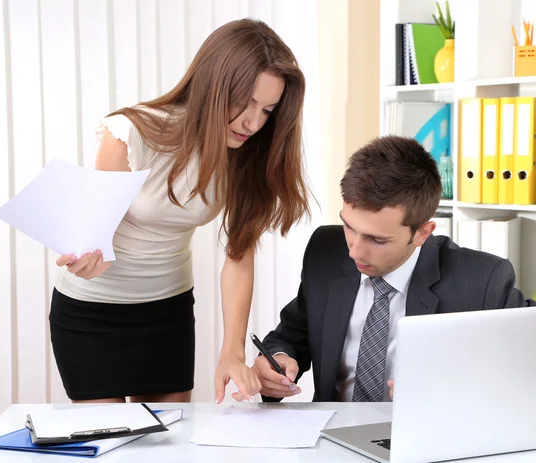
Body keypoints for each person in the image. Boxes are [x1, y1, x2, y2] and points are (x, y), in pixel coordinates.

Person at [49, 18, 310, 404]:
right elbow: (94, 232)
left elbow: (239, 255)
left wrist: (232, 351)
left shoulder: (246, 155)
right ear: (213, 87)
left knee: (166, 445)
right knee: (107, 445)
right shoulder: (130, 134)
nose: (254, 123)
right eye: (245, 103)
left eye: (268, 110)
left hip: (166, 313)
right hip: (91, 314)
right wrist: (89, 252)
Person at [246, 135, 536, 403]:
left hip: (427, 441)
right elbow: (290, 336)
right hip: (333, 440)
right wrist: (276, 360)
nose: (354, 250)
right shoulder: (326, 252)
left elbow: (523, 367)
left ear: (422, 232)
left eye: (378, 239)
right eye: (349, 226)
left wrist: (451, 388)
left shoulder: (481, 280)